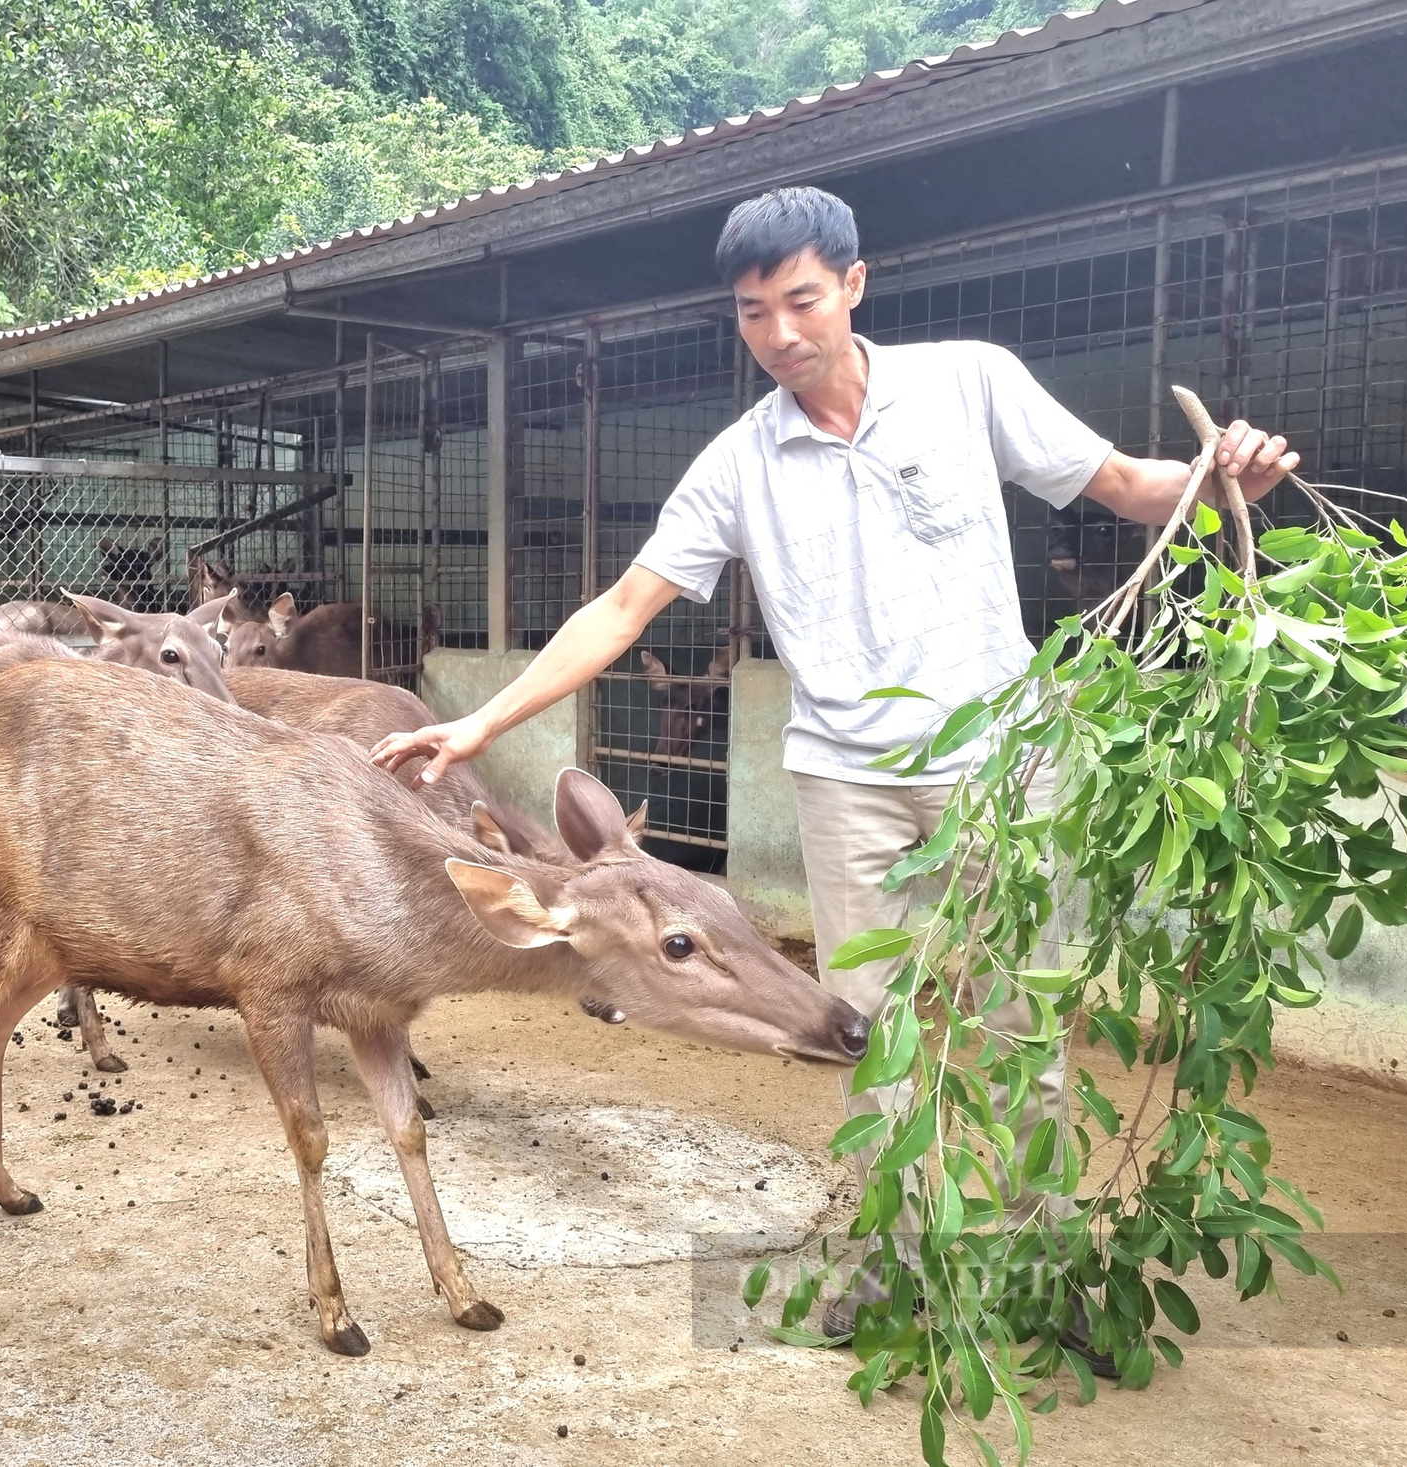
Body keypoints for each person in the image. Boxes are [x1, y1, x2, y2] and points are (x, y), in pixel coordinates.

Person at [370, 186, 1297, 1360]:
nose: (778, 334)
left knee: (1016, 1027)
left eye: (799, 301)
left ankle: (1047, 1269)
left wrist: (1217, 479)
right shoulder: (736, 461)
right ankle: (888, 1269)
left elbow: (1119, 485)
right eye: (752, 313)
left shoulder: (968, 380)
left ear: (854, 285)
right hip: (845, 783)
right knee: (868, 1030)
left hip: (1002, 766)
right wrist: (476, 727)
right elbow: (622, 606)